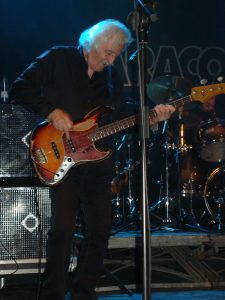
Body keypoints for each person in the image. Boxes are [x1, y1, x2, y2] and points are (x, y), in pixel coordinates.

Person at [10, 19, 175, 300]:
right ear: (90, 44)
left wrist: (152, 119)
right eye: (108, 53)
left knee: (100, 231)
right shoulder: (57, 58)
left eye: (116, 55)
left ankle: (83, 293)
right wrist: (50, 111)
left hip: (97, 163)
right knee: (62, 230)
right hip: (59, 156)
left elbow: (122, 117)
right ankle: (52, 294)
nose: (111, 61)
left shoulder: (110, 78)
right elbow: (20, 88)